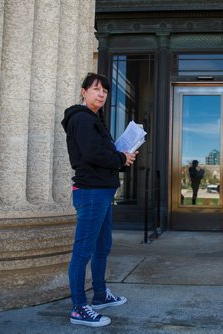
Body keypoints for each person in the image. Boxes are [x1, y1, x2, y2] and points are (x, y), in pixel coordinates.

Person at [61, 73, 137, 327]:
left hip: (102, 190)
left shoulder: (94, 119)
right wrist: (119, 159)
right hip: (91, 192)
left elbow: (102, 153)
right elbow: (93, 154)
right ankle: (79, 307)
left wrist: (122, 157)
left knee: (102, 246)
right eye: (96, 89)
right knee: (82, 251)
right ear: (83, 92)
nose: (102, 93)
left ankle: (101, 294)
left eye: (105, 90)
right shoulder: (82, 119)